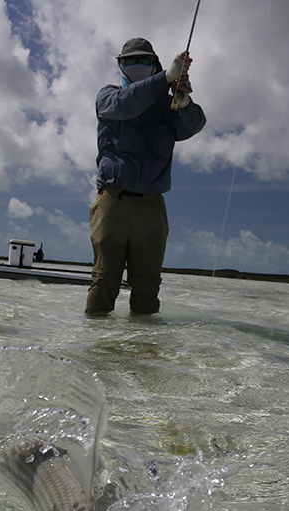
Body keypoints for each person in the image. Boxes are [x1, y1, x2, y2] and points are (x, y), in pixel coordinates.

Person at [85, 37, 206, 317]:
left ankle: (143, 356)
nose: (136, 65)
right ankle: (95, 355)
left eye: (144, 61)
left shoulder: (168, 105)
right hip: (112, 205)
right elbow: (128, 103)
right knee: (104, 282)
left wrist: (184, 101)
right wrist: (165, 78)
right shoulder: (108, 96)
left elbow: (193, 126)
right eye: (129, 61)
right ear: (120, 66)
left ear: (154, 65)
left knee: (148, 288)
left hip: (153, 207)